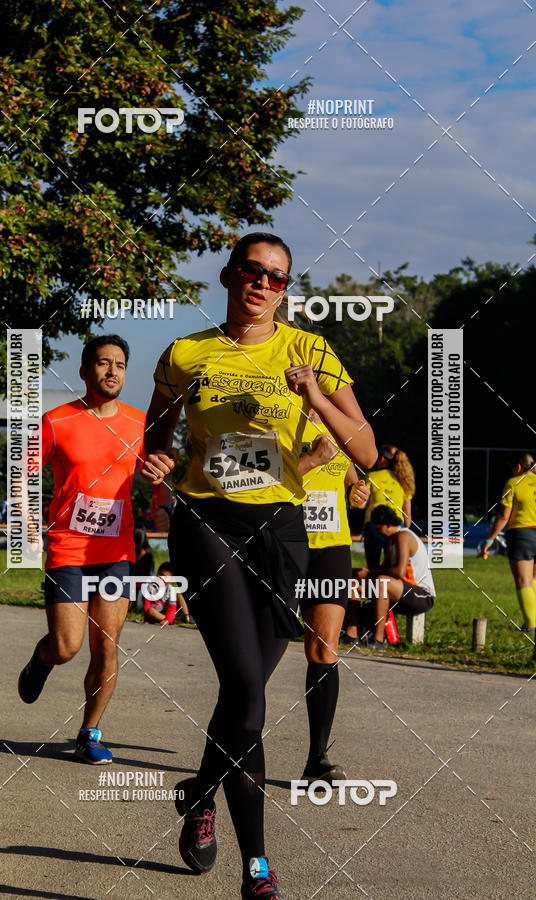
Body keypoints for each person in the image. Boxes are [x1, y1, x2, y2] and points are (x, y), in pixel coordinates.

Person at [142, 232, 376, 899]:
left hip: (282, 531)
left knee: (243, 697)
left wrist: (316, 396)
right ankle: (258, 871)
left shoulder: (309, 351)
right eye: (253, 271)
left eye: (277, 278)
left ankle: (200, 791)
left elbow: (365, 446)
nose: (263, 285)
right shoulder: (186, 352)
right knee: (247, 687)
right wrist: (156, 466)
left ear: (284, 289)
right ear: (228, 275)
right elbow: (158, 429)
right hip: (206, 522)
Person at [17, 335, 146, 764]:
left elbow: (157, 477)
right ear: (85, 370)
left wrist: (163, 508)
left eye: (121, 365)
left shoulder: (139, 423)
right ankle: (42, 658)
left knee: (105, 648)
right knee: (67, 645)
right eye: (104, 363)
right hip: (68, 548)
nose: (113, 371)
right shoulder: (56, 421)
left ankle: (89, 732)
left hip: (116, 551)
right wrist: (27, 523)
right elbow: (23, 474)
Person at [297, 409, 369, 782]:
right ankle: (236, 747)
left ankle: (317, 759)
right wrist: (311, 461)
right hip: (284, 546)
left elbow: (353, 483)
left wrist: (359, 493)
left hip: (331, 549)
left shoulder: (339, 432)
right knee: (260, 651)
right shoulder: (276, 420)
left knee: (324, 647)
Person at [351, 504, 435, 651]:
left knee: (381, 582)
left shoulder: (403, 536)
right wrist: (364, 574)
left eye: (378, 528)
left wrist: (369, 573)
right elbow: (383, 569)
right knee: (353, 584)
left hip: (421, 595)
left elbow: (398, 572)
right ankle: (351, 634)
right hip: (400, 590)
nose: (376, 533)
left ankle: (378, 640)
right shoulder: (391, 540)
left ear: (389, 524)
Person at [483, 453, 536, 638]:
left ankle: (531, 626)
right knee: (534, 579)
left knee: (523, 581)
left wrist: (489, 540)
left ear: (520, 466)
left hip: (522, 534)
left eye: (513, 466)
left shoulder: (513, 483)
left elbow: (504, 516)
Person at [363, 444, 415, 568]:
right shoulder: (404, 480)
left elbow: (362, 504)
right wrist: (405, 531)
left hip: (374, 524)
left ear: (381, 459)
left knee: (372, 567)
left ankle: (373, 587)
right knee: (393, 566)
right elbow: (407, 514)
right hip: (396, 526)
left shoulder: (372, 477)